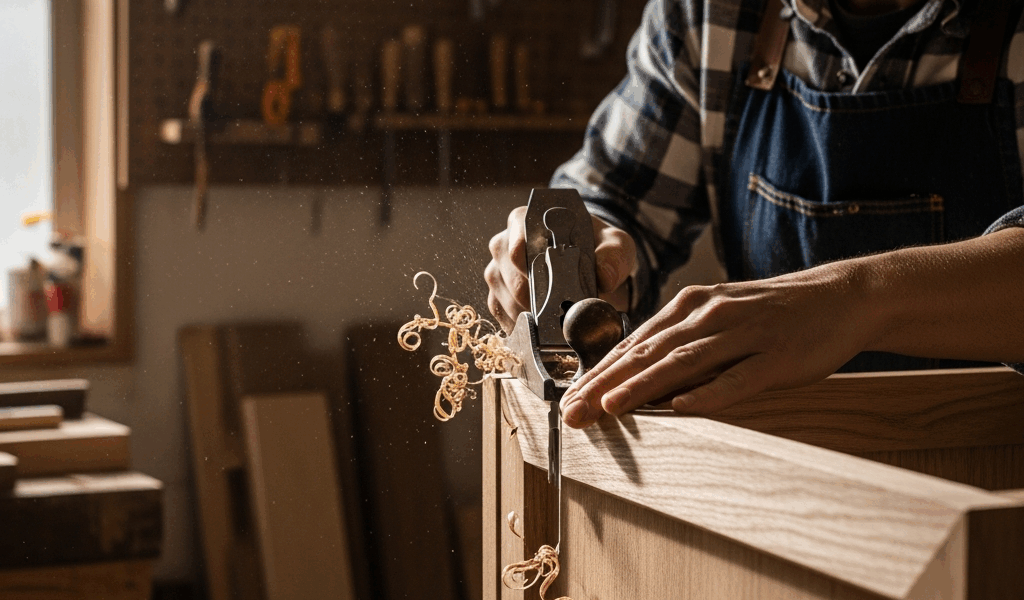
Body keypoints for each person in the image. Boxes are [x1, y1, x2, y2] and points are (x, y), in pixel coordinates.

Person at [484, 0, 1024, 429]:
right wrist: (588, 250)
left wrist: (855, 300)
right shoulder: (709, 13)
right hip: (776, 462)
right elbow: (617, 197)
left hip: (989, 465)